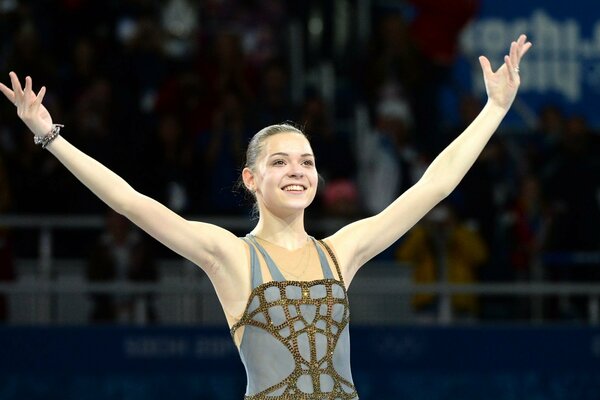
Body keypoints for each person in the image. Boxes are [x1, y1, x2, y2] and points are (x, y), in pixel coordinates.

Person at [0, 35, 531, 399]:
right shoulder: (230, 255)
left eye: (307, 162)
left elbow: (434, 186)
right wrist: (50, 137)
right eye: (279, 162)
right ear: (251, 179)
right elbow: (130, 201)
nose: (297, 172)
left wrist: (494, 110)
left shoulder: (341, 250)